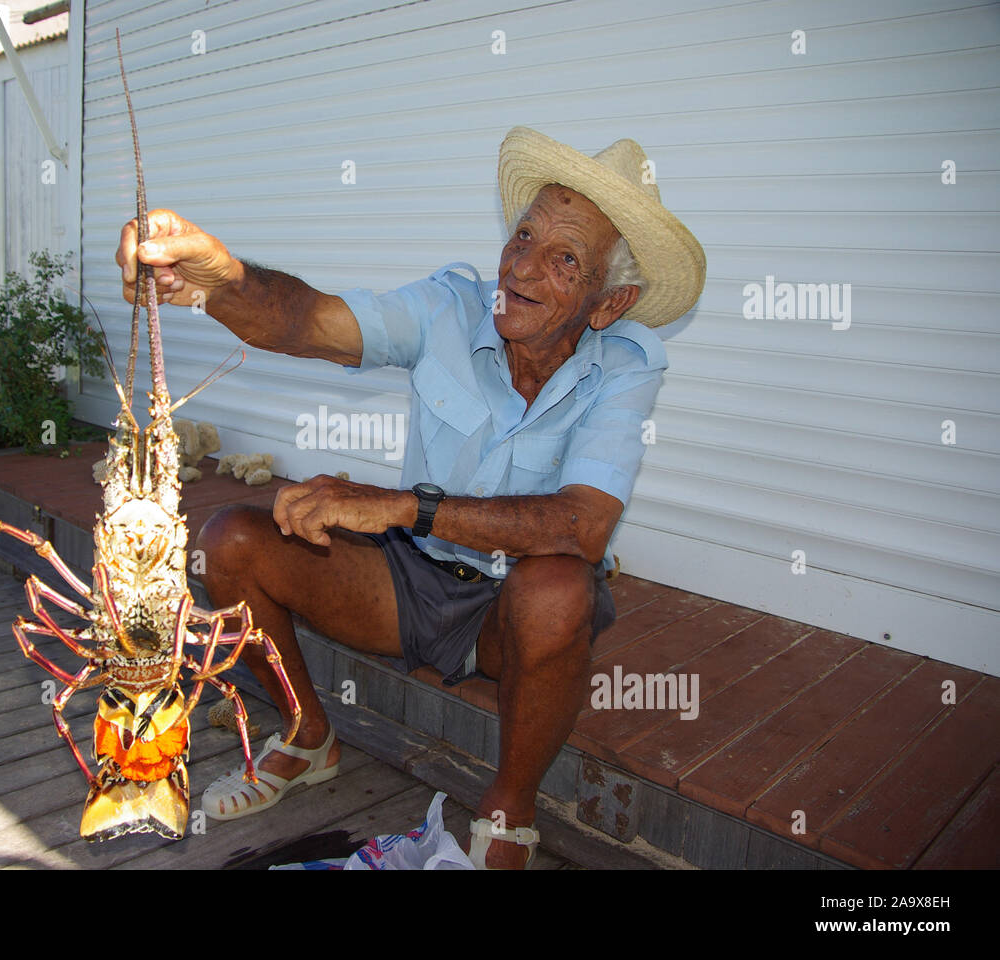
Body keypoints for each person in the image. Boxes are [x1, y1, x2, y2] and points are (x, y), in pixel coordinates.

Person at [115, 126, 706, 868]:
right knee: (229, 540)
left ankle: (510, 811)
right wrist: (218, 278)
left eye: (565, 260)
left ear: (608, 302)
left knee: (559, 586)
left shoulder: (626, 365)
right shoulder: (448, 307)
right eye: (524, 235)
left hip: (509, 614)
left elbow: (582, 524)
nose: (522, 266)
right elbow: (310, 321)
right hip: (405, 582)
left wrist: (404, 505)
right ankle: (307, 737)